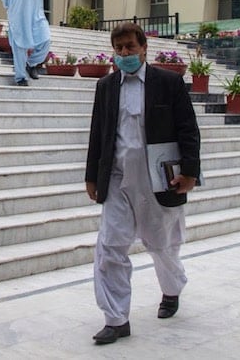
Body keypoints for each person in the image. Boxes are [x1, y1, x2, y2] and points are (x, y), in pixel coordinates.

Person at [84, 22, 201, 345]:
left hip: (157, 180)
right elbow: (98, 133)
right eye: (119, 48)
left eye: (129, 48)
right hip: (118, 179)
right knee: (109, 247)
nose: (124, 54)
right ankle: (116, 318)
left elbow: (188, 130)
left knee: (161, 245)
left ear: (143, 47)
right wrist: (92, 175)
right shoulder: (106, 86)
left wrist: (190, 172)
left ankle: (172, 289)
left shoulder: (169, 83)